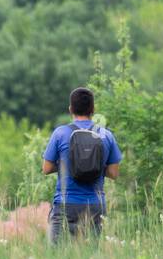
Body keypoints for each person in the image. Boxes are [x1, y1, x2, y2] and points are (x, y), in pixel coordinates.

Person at [41, 87, 121, 243]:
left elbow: (46, 168)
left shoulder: (60, 133)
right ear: (93, 109)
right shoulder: (106, 135)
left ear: (70, 109)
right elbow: (114, 173)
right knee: (91, 256)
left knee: (57, 258)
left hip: (66, 204)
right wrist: (95, 164)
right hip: (95, 205)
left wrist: (66, 164)